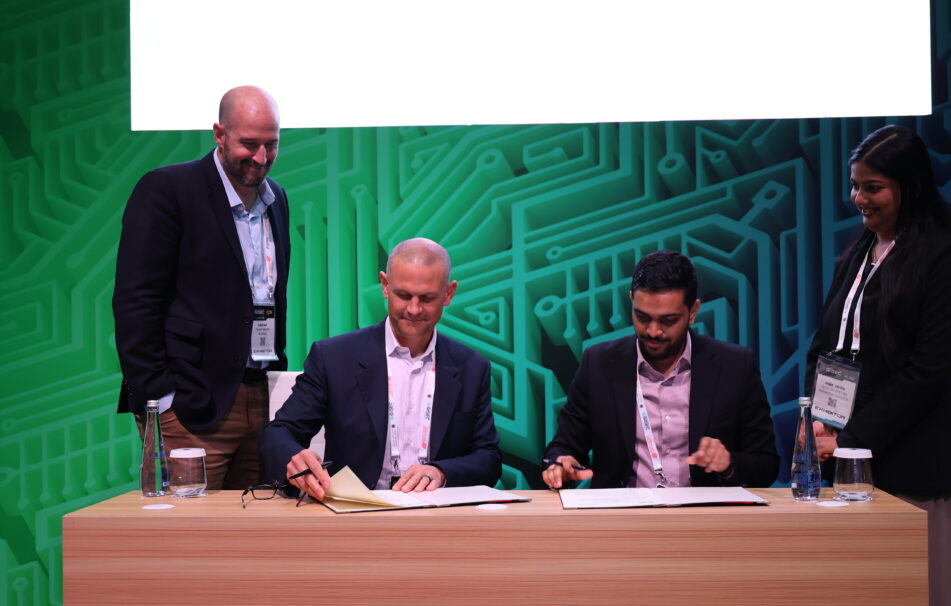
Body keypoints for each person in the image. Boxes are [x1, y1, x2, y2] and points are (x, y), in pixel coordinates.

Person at [805, 125, 951, 606]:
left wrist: (849, 439)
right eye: (855, 185)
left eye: (873, 187)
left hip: (907, 465)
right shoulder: (858, 251)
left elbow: (927, 372)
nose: (859, 198)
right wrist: (816, 421)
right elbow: (826, 345)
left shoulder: (943, 256)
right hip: (842, 462)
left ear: (910, 186)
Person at [113, 85, 289, 490]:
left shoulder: (277, 198)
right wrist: (161, 399)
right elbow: (136, 302)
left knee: (254, 524)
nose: (261, 157)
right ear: (219, 134)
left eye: (271, 145)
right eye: (249, 144)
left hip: (260, 397)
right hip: (189, 406)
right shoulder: (167, 190)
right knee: (190, 527)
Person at [261, 238, 502, 498]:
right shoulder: (334, 358)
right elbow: (280, 432)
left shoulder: (472, 367)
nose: (413, 309)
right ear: (385, 285)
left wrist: (441, 473)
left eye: (427, 298)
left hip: (437, 511)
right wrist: (293, 458)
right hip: (356, 509)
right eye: (404, 295)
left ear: (449, 293)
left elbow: (488, 458)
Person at [542, 250, 779, 490]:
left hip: (704, 511)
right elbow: (563, 446)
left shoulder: (734, 366)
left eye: (668, 320)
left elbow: (766, 464)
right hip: (622, 511)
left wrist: (728, 465)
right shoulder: (599, 363)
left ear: (693, 312)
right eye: (642, 317)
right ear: (631, 300)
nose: (653, 331)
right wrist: (560, 463)